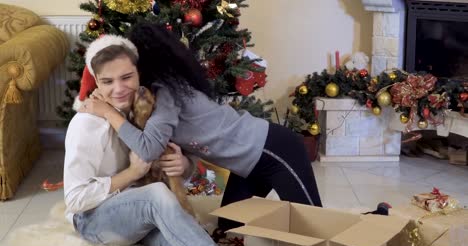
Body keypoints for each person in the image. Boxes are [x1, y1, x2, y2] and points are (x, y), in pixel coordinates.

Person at [79, 21, 322, 232]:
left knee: (313, 225)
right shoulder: (158, 94)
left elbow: (148, 149)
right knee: (228, 228)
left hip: (274, 150)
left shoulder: (167, 92)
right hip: (246, 167)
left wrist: (108, 112)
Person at [64, 34, 236, 246]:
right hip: (93, 221)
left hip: (135, 214)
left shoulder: (143, 111)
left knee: (184, 242)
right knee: (156, 195)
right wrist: (132, 174)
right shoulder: (86, 124)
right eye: (108, 82)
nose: (119, 89)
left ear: (139, 75)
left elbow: (180, 156)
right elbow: (75, 200)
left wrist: (184, 165)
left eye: (126, 77)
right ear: (96, 83)